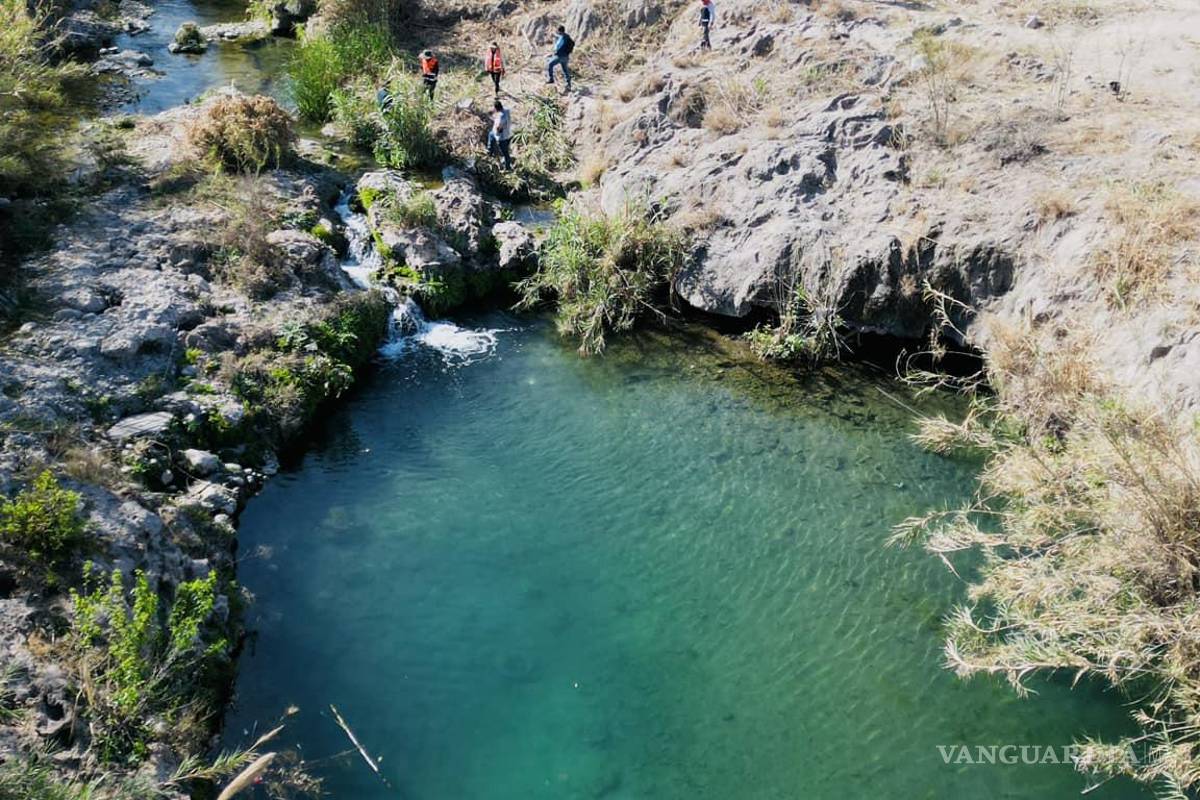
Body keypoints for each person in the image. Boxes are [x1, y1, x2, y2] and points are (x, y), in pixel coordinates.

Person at [546, 25, 574, 92]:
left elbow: (557, 47)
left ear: (559, 31)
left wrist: (554, 51)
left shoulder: (562, 38)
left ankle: (551, 79)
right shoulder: (567, 37)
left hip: (560, 56)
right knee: (565, 70)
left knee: (549, 64)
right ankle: (569, 85)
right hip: (566, 56)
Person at [488, 99, 513, 170]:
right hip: (508, 134)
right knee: (491, 135)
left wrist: (493, 119)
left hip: (502, 137)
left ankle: (507, 167)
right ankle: (490, 151)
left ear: (496, 108)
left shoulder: (500, 118)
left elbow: (499, 129)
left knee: (505, 153)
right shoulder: (507, 110)